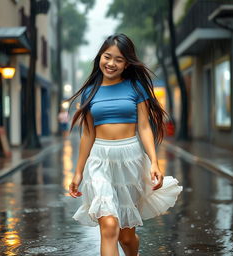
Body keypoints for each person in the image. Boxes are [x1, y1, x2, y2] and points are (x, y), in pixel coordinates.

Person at [68, 34, 182, 256]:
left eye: (118, 59)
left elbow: (145, 128)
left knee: (126, 237)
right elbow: (88, 134)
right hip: (99, 160)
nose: (111, 63)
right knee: (109, 227)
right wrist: (78, 172)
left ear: (127, 63)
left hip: (130, 160)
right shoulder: (90, 92)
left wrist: (154, 163)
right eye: (107, 57)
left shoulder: (136, 87)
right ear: (100, 57)